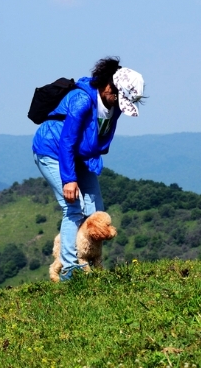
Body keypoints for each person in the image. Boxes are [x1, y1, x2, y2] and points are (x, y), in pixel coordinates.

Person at [32, 57, 144, 281]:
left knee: (95, 212)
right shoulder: (82, 100)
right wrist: (69, 179)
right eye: (119, 97)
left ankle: (92, 265)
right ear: (108, 86)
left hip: (79, 155)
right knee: (73, 207)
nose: (120, 104)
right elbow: (67, 142)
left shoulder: (114, 105)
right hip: (53, 150)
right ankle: (70, 269)